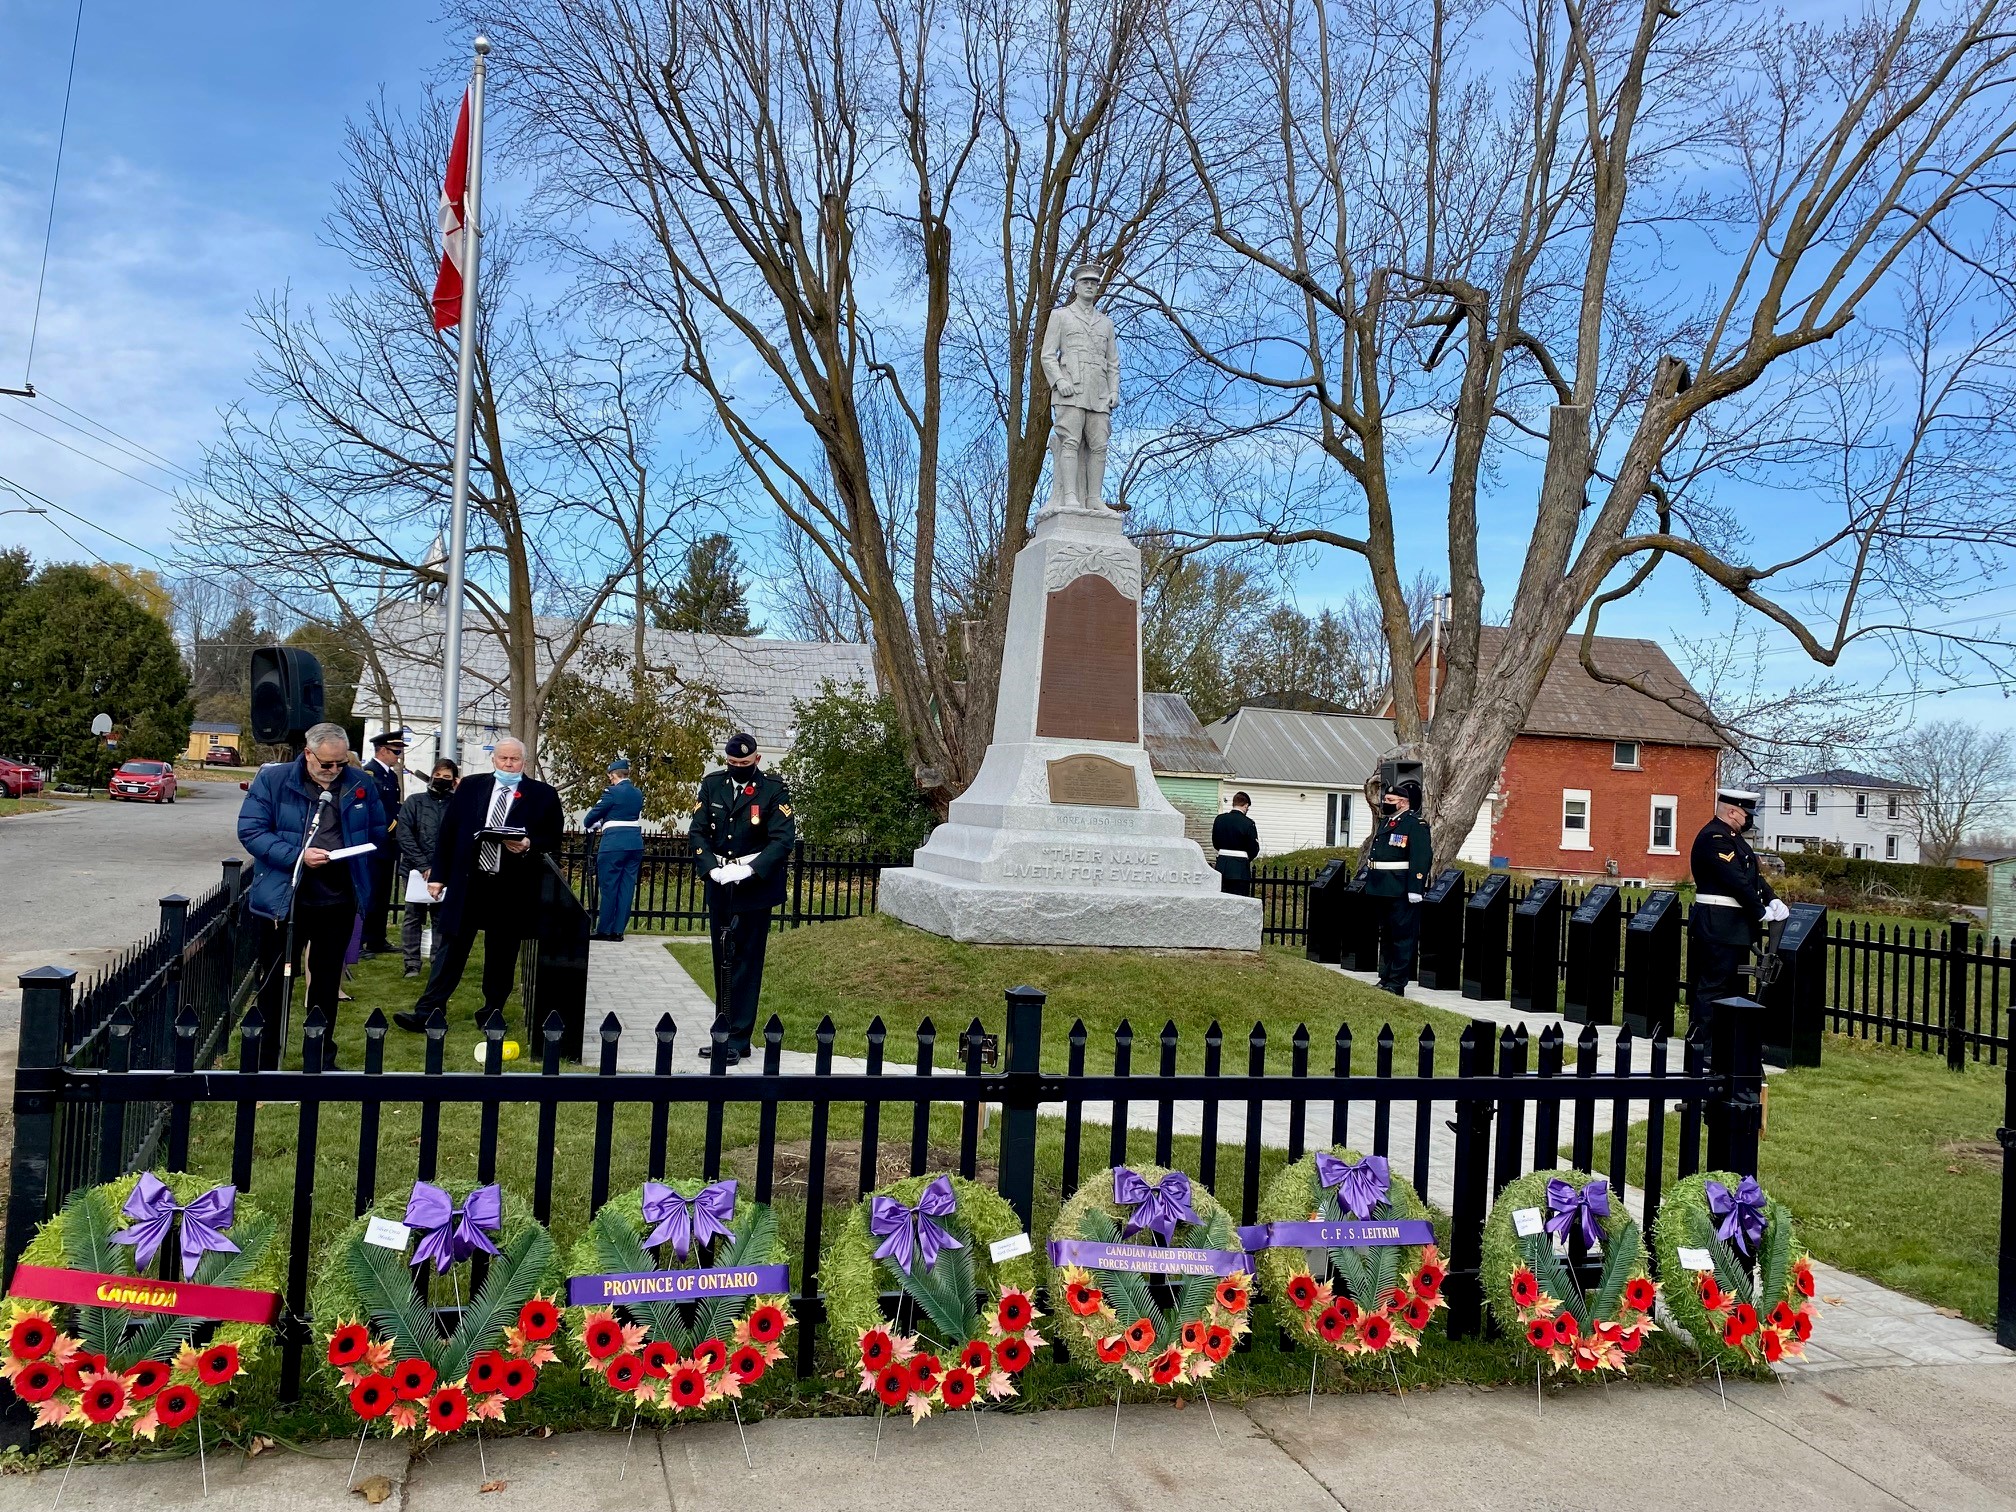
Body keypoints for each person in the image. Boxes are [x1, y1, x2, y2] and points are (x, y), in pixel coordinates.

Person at [236, 722, 386, 1067]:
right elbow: (251, 830)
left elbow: (377, 831)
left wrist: (356, 855)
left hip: (338, 898)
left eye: (341, 764)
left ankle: (319, 1057)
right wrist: (298, 855)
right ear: (307, 754)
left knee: (326, 981)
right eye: (326, 764)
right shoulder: (273, 780)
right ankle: (265, 1057)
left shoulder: (360, 783)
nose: (334, 771)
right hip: (285, 899)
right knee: (275, 984)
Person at [395, 736, 563, 1032]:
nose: (508, 764)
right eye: (503, 759)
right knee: (450, 949)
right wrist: (438, 876)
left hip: (510, 887)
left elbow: (553, 839)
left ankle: (491, 1013)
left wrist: (527, 842)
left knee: (501, 954)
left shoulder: (542, 795)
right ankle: (428, 1012)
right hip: (469, 882)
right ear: (493, 760)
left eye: (514, 760)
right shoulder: (472, 786)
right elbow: (449, 832)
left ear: (524, 762)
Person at [690, 733, 796, 1066]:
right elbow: (697, 832)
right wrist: (710, 868)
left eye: (744, 764)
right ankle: (725, 1031)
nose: (737, 769)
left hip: (754, 889)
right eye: (732, 763)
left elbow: (782, 840)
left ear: (757, 761)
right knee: (722, 957)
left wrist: (750, 870)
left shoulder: (773, 790)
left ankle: (736, 1038)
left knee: (745, 963)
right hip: (721, 884)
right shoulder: (713, 785)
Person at [1688, 787, 1788, 1035]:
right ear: (1732, 812)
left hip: (1733, 927)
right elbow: (1733, 879)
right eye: (1746, 814)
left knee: (1731, 989)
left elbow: (1751, 877)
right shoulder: (1715, 838)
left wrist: (1771, 898)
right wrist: (1759, 910)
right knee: (1713, 988)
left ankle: (1724, 1045)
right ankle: (1703, 1046)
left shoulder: (1734, 838)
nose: (1749, 819)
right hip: (1718, 923)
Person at [1038, 262, 1120, 512]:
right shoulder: (1061, 316)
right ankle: (1070, 496)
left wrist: (1114, 390)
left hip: (1099, 393)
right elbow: (1047, 355)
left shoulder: (1105, 323)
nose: (1090, 286)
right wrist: (1059, 380)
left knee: (1100, 446)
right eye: (1085, 282)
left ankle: (1094, 497)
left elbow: (1113, 362)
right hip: (1070, 389)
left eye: (1094, 283)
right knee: (1070, 441)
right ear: (1075, 286)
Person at [1363, 779, 1431, 996]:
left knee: (1402, 937)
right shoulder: (1386, 822)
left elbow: (1421, 857)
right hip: (1382, 886)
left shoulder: (1414, 824)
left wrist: (1415, 887)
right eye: (1386, 798)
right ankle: (1386, 976)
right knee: (1388, 936)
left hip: (1401, 888)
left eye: (1390, 799)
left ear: (1403, 803)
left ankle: (1397, 982)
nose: (1385, 802)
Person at [395, 758, 458, 978]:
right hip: (414, 870)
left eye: (447, 777)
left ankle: (438, 962)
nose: (441, 780)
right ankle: (411, 963)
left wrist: (441, 867)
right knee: (413, 917)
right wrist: (423, 864)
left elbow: (458, 837)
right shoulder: (415, 801)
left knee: (441, 918)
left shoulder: (456, 804)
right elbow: (404, 835)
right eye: (438, 775)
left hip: (444, 872)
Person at [584, 756, 647, 941]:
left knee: (609, 886)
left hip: (614, 844)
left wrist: (593, 823)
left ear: (613, 775)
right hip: (634, 843)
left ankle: (605, 930)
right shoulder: (637, 793)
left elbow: (592, 816)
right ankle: (619, 931)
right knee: (627, 887)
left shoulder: (611, 792)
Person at [359, 731, 407, 955]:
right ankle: (362, 939)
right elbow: (375, 811)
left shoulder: (388, 775)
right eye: (396, 751)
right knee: (371, 893)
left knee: (383, 893)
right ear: (383, 751)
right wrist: (393, 826)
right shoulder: (371, 774)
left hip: (388, 844)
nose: (398, 756)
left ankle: (377, 938)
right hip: (376, 842)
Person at [1211, 792, 1260, 897]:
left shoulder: (1219, 820)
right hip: (1240, 869)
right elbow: (1253, 848)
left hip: (1222, 866)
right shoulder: (1248, 823)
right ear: (1246, 805)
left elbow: (1215, 843)